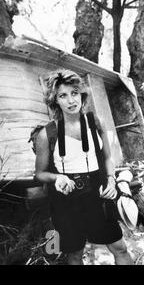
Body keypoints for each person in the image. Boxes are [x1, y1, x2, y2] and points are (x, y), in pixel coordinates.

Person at [35, 69, 133, 265]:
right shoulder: (47, 134)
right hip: (66, 201)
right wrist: (58, 178)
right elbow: (39, 174)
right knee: (74, 255)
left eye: (74, 93)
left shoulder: (95, 122)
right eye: (63, 95)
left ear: (82, 94)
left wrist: (112, 181)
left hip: (98, 195)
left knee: (120, 248)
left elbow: (107, 158)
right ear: (55, 100)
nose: (71, 101)